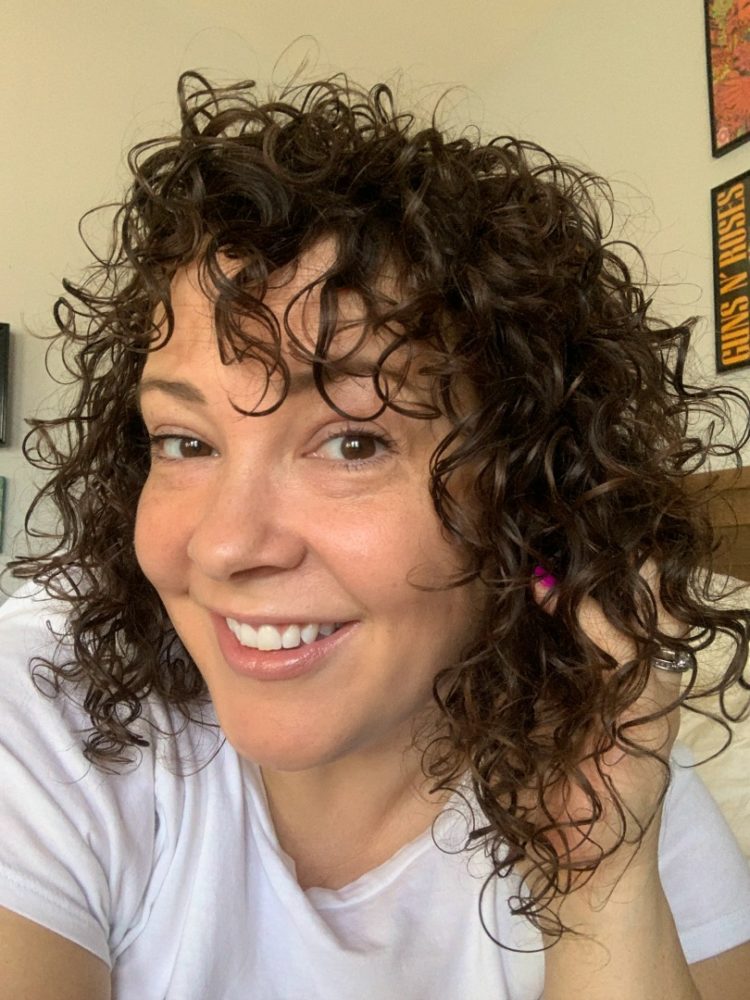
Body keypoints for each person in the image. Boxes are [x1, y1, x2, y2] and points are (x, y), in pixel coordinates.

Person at [1, 72, 749, 1000]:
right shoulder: (48, 688)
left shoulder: (613, 769)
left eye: (352, 441)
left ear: (521, 491)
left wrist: (595, 893)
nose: (227, 546)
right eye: (184, 441)